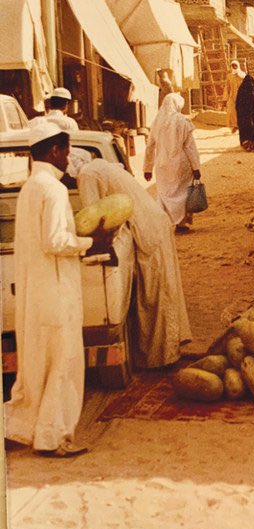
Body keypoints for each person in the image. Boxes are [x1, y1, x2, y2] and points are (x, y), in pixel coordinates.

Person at [4, 121, 111, 457]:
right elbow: (54, 241)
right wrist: (91, 242)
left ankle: (21, 428)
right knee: (63, 365)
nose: (68, 158)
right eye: (66, 151)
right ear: (53, 150)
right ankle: (54, 438)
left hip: (37, 295)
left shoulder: (30, 187)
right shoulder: (53, 189)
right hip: (56, 293)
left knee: (37, 367)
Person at [66, 149, 192, 369]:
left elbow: (93, 218)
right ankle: (165, 352)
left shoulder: (86, 175)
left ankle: (162, 357)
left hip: (148, 230)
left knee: (154, 295)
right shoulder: (98, 166)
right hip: (154, 222)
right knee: (161, 290)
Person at [144, 93, 201, 233]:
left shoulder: (156, 121)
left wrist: (147, 168)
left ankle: (161, 224)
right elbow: (190, 147)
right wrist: (196, 167)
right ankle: (181, 225)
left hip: (162, 165)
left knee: (164, 194)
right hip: (181, 164)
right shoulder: (182, 121)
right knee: (182, 194)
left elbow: (150, 146)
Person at [223, 60, 245, 134]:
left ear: (238, 66)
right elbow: (227, 87)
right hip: (232, 96)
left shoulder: (243, 75)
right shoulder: (229, 76)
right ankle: (235, 126)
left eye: (235, 66)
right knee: (231, 110)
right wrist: (225, 99)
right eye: (233, 66)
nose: (234, 67)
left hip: (241, 96)